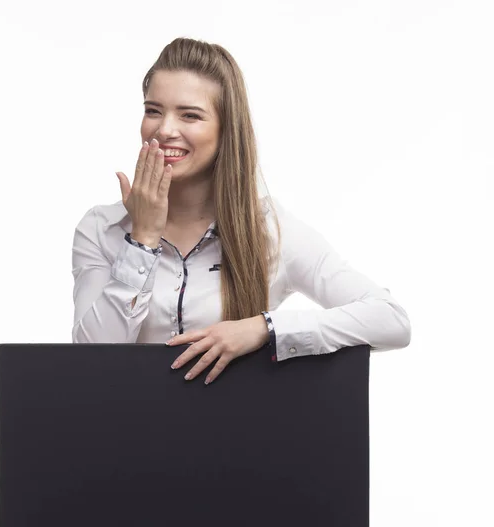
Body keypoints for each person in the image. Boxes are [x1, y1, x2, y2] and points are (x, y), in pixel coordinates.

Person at [71, 37, 411, 385]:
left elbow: (390, 321)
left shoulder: (268, 230)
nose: (164, 130)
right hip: (125, 433)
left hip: (239, 434)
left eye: (190, 115)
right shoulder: (102, 228)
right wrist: (141, 239)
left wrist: (264, 328)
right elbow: (90, 360)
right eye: (153, 110)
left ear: (225, 131)